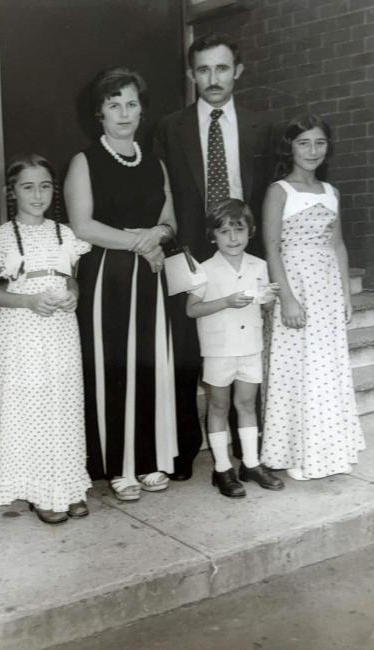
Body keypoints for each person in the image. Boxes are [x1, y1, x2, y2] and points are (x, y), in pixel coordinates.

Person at [155, 32, 273, 480]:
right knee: (187, 351)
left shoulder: (262, 125)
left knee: (247, 347)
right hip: (189, 252)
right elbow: (161, 193)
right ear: (191, 75)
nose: (213, 78)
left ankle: (250, 455)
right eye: (203, 69)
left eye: (222, 68)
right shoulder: (170, 127)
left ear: (237, 71)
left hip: (244, 249)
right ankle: (186, 451)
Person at [64, 67, 177, 502]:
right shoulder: (84, 161)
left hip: (149, 278)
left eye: (131, 103)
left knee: (148, 365)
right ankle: (116, 466)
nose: (124, 112)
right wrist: (140, 243)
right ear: (100, 113)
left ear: (141, 110)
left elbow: (170, 221)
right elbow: (83, 226)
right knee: (112, 368)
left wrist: (158, 238)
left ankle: (146, 460)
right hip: (106, 280)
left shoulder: (155, 163)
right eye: (114, 104)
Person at [0, 154, 92, 524]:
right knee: (33, 410)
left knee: (65, 407)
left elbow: (69, 277)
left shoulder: (65, 234)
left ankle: (69, 486)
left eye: (44, 186)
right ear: (12, 193)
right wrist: (27, 300)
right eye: (27, 187)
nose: (37, 194)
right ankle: (41, 491)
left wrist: (73, 293)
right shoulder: (2, 238)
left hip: (60, 331)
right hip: (22, 333)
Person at [260, 114, 365, 480]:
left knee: (326, 368)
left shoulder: (331, 192)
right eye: (303, 142)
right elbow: (272, 248)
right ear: (289, 147)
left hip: (326, 289)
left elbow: (337, 245)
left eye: (319, 142)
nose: (312, 150)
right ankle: (296, 452)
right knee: (296, 369)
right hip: (296, 283)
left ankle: (327, 450)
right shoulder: (279, 191)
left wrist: (345, 295)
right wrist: (287, 298)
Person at [186, 198, 283, 496]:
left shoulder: (260, 265)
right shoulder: (204, 269)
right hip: (219, 348)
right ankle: (222, 469)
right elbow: (192, 309)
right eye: (225, 231)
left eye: (239, 230)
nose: (232, 238)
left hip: (250, 346)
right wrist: (227, 301)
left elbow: (265, 308)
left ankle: (251, 463)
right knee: (218, 405)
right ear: (213, 235)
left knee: (245, 405)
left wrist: (268, 302)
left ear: (250, 232)